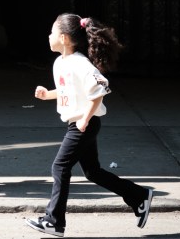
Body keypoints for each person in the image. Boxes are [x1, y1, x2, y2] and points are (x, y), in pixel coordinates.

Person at [25, 13, 153, 237]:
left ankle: (54, 221)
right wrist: (48, 95)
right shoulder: (61, 62)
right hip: (80, 123)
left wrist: (85, 119)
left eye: (52, 32)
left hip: (84, 124)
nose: (48, 36)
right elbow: (70, 91)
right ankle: (138, 196)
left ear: (64, 38)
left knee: (60, 167)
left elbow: (99, 89)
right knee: (93, 172)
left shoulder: (80, 63)